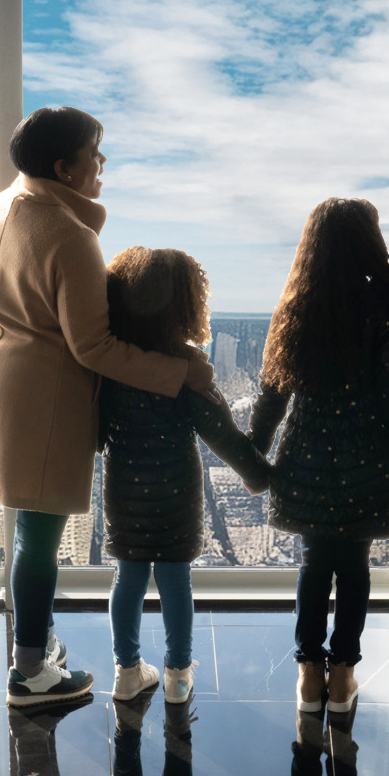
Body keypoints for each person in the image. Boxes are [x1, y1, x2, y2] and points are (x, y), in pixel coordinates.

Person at [0, 106, 217, 705]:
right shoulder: (71, 237)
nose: (102, 165)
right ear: (65, 168)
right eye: (94, 155)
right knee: (41, 539)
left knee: (29, 531)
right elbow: (94, 346)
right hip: (45, 403)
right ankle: (30, 672)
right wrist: (178, 372)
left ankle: (38, 640)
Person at [251, 198, 389, 716]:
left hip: (304, 457)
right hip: (363, 460)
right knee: (353, 567)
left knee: (314, 564)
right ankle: (344, 672)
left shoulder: (296, 306)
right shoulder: (379, 310)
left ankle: (309, 673)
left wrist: (254, 457)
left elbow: (271, 394)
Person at [100, 246, 272, 706]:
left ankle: (126, 670)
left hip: (123, 490)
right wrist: (259, 474)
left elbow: (93, 429)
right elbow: (223, 433)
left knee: (128, 579)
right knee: (176, 582)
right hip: (177, 492)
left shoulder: (112, 366)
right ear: (186, 304)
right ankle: (178, 676)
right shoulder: (186, 368)